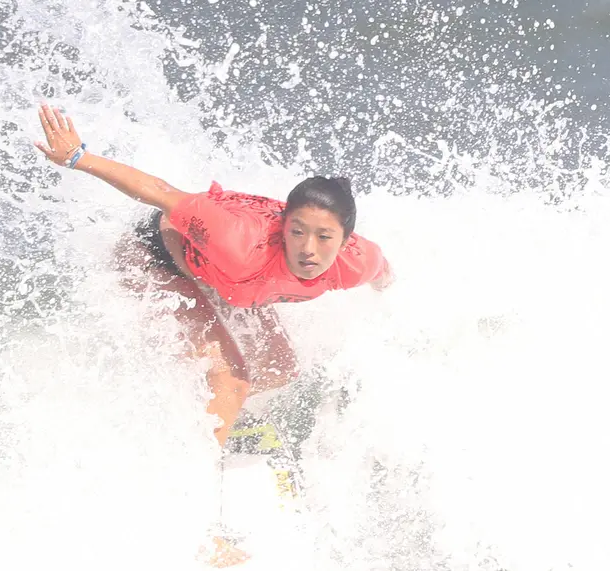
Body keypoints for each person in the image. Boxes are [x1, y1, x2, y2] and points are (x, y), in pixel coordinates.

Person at [34, 103, 393, 446]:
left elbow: (385, 276)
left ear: (345, 241)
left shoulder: (358, 262)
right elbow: (162, 192)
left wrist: (393, 307)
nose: (308, 248)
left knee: (280, 367)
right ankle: (195, 474)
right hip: (153, 259)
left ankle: (207, 426)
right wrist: (80, 158)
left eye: (324, 237)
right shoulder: (237, 240)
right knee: (230, 382)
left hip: (228, 280)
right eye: (297, 232)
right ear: (284, 227)